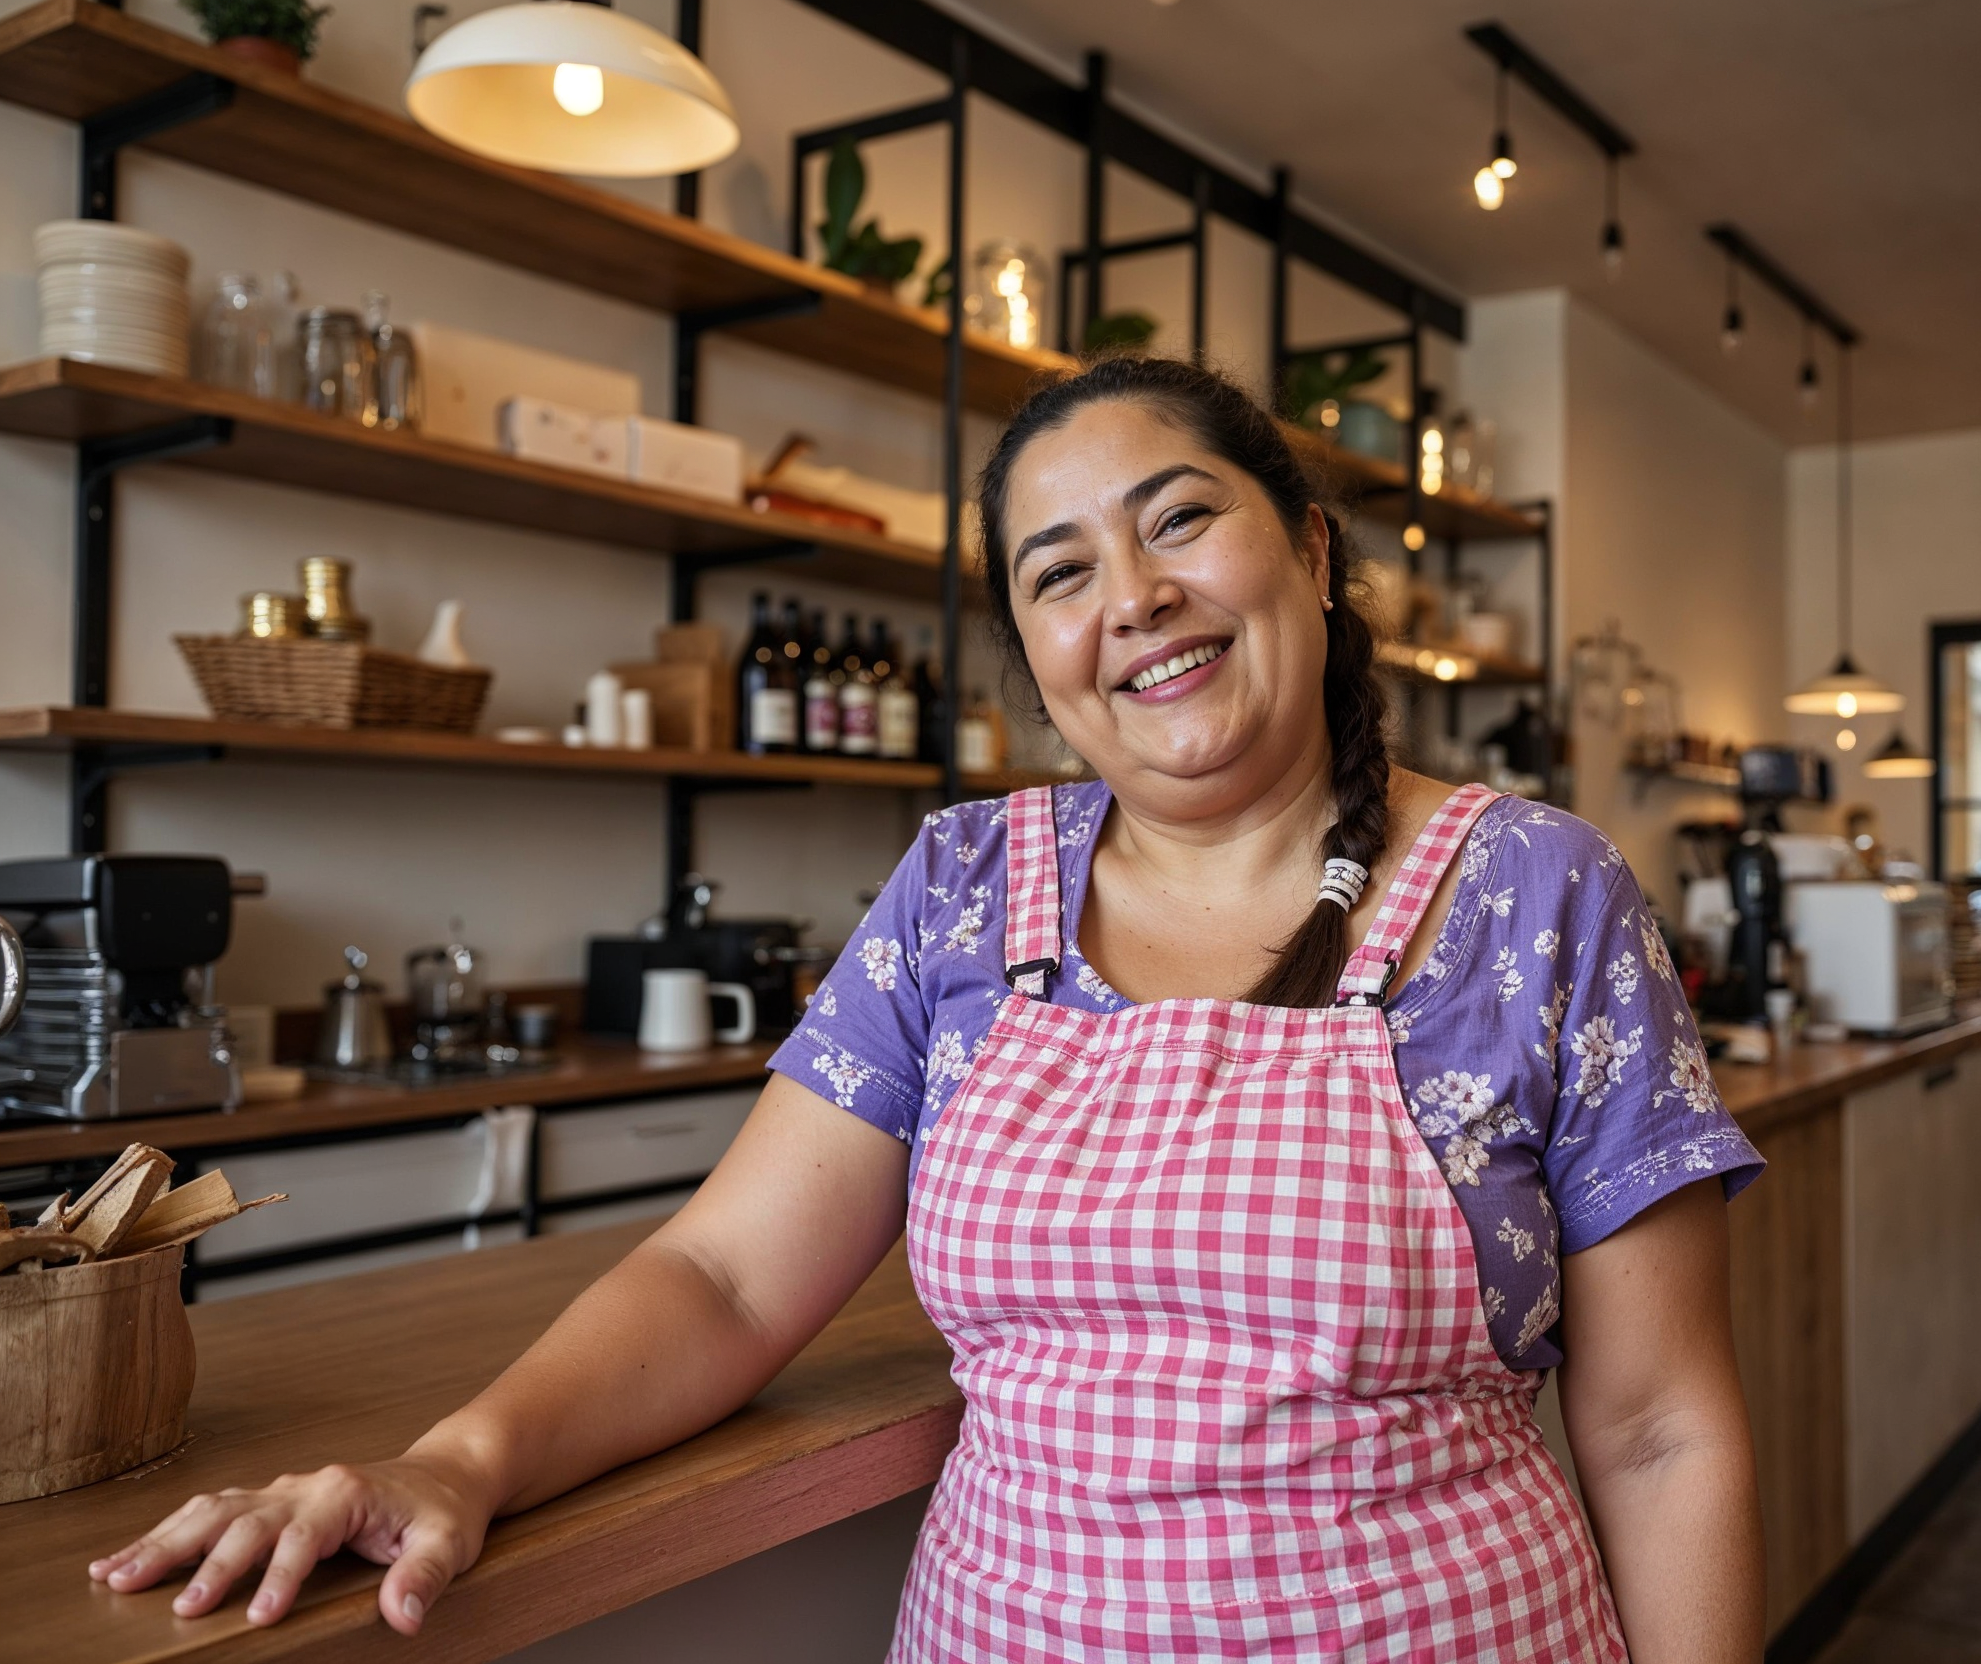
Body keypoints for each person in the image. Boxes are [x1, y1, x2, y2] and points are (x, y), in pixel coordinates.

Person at [90, 358, 1768, 1659]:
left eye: (1181, 518)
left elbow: (1656, 1418)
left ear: (1311, 550)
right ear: (1035, 654)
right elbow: (727, 1272)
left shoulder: (1535, 890)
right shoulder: (964, 887)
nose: (1133, 595)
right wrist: (457, 1459)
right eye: (1060, 570)